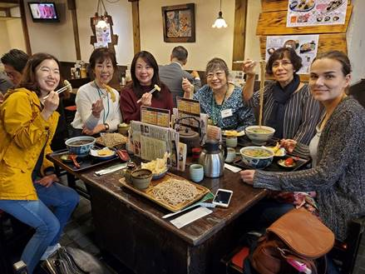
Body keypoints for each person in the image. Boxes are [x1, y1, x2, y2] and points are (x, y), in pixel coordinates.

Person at [240, 51, 365, 246]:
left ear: (346, 80)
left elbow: (325, 176)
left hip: (336, 207)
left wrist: (263, 178)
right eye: (314, 76)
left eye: (329, 76)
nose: (319, 82)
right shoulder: (331, 109)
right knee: (259, 202)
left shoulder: (348, 115)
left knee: (254, 209)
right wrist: (298, 149)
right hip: (320, 193)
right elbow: (327, 157)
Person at [0, 53, 79, 273]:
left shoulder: (47, 106)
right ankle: (25, 268)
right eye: (45, 69)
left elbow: (44, 148)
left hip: (28, 177)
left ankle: (47, 250)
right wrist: (46, 112)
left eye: (56, 71)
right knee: (48, 226)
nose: (52, 75)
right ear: (33, 72)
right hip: (7, 180)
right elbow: (24, 140)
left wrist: (51, 170)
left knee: (70, 197)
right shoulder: (19, 98)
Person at [242, 47, 322, 145]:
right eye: (275, 64)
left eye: (285, 63)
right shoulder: (270, 88)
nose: (280, 68)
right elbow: (249, 102)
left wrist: (289, 148)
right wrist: (250, 76)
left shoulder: (307, 92)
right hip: (266, 145)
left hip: (292, 153)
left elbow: (307, 128)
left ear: (294, 67)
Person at [183, 57, 256, 139]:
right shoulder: (204, 92)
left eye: (218, 74)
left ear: (227, 76)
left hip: (234, 142)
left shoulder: (239, 95)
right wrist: (188, 92)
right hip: (208, 141)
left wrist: (233, 134)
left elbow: (249, 123)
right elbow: (190, 115)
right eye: (210, 75)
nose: (214, 78)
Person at [71, 48, 122, 136]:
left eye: (108, 66)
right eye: (100, 65)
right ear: (93, 69)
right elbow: (88, 126)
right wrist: (95, 114)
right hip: (84, 136)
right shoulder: (83, 91)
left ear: (114, 69)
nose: (105, 70)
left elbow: (118, 120)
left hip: (106, 135)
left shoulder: (115, 94)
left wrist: (103, 126)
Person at [120, 51, 174, 123]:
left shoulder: (164, 90)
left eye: (147, 67)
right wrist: (143, 108)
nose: (143, 71)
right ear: (133, 70)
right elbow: (127, 121)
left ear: (154, 69)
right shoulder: (127, 92)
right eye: (139, 67)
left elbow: (171, 117)